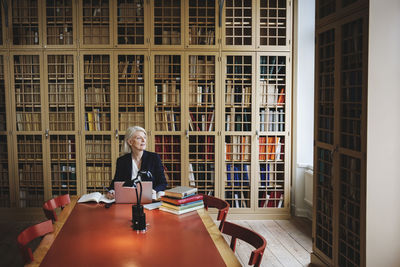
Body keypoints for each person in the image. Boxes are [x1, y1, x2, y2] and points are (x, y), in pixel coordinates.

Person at [106, 126, 167, 200]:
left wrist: (154, 190)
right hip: (127, 199)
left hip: (149, 199)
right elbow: (116, 182)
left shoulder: (154, 158)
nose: (143, 140)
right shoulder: (122, 161)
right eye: (139, 138)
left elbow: (163, 183)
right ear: (130, 142)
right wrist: (111, 191)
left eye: (144, 137)